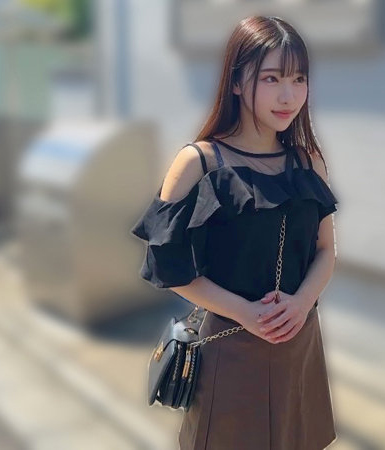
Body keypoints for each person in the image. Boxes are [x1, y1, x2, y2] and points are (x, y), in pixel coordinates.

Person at [131, 16, 337, 450]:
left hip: (298, 340)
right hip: (229, 347)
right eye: (272, 78)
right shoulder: (199, 162)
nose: (289, 95)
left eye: (299, 79)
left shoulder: (308, 162)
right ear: (238, 82)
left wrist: (301, 303)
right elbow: (169, 268)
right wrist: (245, 312)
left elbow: (326, 251)